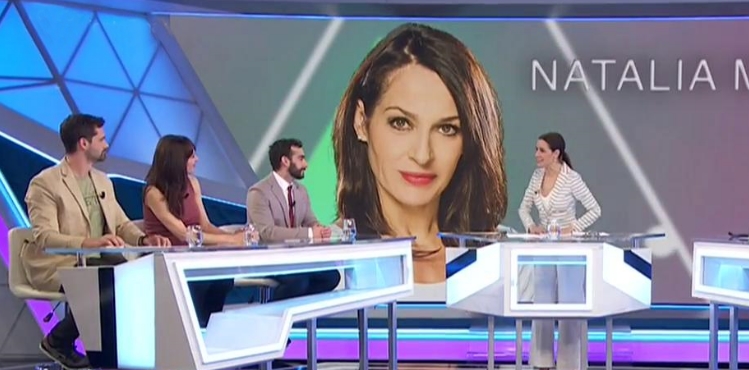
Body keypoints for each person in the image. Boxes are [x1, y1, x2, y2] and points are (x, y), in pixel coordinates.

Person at [332, 23, 507, 286]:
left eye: (447, 129)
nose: (423, 155)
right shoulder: (325, 262)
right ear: (361, 122)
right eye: (401, 123)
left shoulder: (503, 258)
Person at [23, 113, 170, 369]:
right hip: (59, 263)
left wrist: (145, 239)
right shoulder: (45, 183)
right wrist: (89, 243)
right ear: (83, 143)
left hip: (99, 261)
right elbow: (45, 237)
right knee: (114, 279)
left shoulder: (102, 181)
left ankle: (110, 351)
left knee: (138, 275)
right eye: (101, 139)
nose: (107, 144)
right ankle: (59, 340)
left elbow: (121, 224)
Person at [518, 133, 602, 370]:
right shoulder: (537, 177)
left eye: (542, 150)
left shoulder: (572, 179)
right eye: (536, 149)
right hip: (544, 249)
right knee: (542, 303)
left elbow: (595, 209)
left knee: (570, 303)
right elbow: (523, 208)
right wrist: (531, 226)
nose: (537, 155)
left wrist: (571, 229)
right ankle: (542, 362)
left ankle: (572, 363)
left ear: (556, 154)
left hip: (570, 250)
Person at [142, 135, 238, 328]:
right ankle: (194, 330)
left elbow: (205, 225)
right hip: (166, 260)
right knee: (202, 280)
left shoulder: (193, 183)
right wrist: (232, 241)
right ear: (178, 160)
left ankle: (208, 329)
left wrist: (234, 237)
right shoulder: (154, 193)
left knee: (223, 278)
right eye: (192, 156)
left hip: (192, 257)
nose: (197, 160)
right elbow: (185, 235)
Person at [246, 138, 340, 300]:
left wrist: (320, 229)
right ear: (285, 161)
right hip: (268, 258)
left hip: (296, 257)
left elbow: (310, 220)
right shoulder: (259, 192)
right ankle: (274, 311)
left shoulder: (300, 191)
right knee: (299, 281)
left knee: (331, 277)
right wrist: (310, 234)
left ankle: (301, 312)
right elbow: (267, 233)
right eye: (301, 158)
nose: (306, 164)